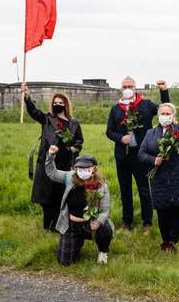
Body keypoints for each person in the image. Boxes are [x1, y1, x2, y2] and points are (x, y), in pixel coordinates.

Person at [106, 77, 170, 234]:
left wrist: (164, 91)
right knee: (125, 190)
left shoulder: (145, 104)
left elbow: (165, 109)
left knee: (144, 189)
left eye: (130, 86)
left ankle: (147, 223)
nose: (127, 88)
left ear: (135, 89)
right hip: (122, 155)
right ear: (121, 89)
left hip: (141, 154)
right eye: (124, 86)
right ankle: (127, 221)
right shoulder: (115, 109)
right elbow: (109, 131)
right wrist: (121, 138)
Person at [138, 96, 179, 252]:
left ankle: (174, 242)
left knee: (176, 210)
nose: (165, 116)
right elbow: (141, 153)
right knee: (162, 211)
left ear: (173, 115)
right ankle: (164, 241)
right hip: (159, 178)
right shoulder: (150, 133)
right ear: (159, 115)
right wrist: (153, 160)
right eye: (162, 113)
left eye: (168, 113)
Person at [21, 84, 84, 231]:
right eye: (55, 103)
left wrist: (75, 148)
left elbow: (79, 140)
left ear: (65, 105)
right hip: (49, 160)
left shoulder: (73, 123)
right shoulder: (47, 119)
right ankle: (49, 226)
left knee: (63, 193)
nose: (57, 105)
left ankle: (62, 225)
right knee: (49, 194)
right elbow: (34, 112)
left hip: (66, 162)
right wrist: (27, 96)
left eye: (60, 103)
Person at [45, 146, 114, 265]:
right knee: (65, 261)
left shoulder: (101, 187)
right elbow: (52, 173)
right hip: (72, 225)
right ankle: (77, 241)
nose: (81, 171)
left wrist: (98, 222)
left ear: (93, 169)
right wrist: (50, 156)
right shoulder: (70, 178)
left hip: (91, 224)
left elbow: (105, 211)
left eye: (85, 168)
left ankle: (103, 252)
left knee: (105, 229)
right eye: (79, 168)